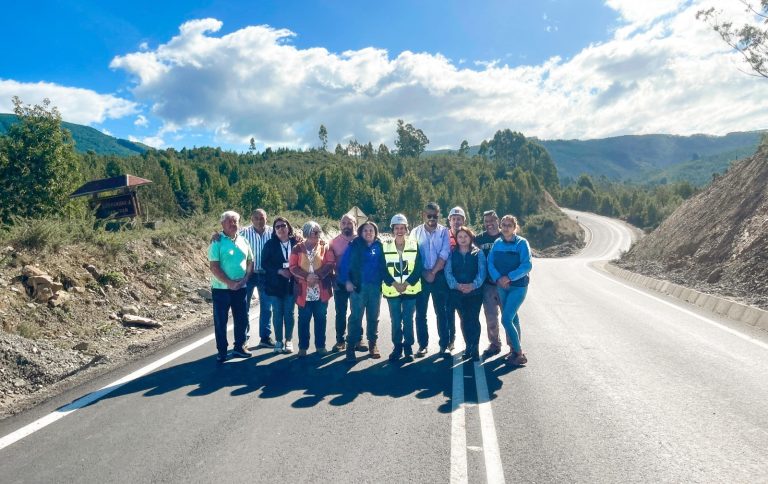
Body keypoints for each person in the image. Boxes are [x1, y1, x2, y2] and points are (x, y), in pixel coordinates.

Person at [212, 208, 274, 348]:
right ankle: (243, 338)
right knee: (243, 309)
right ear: (251, 219)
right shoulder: (244, 232)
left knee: (266, 307)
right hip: (248, 275)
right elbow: (228, 235)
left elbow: (286, 237)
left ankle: (265, 337)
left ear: (266, 218)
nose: (259, 220)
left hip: (266, 274)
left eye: (262, 217)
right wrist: (216, 235)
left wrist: (297, 238)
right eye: (256, 218)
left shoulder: (273, 232)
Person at [208, 210, 254, 362]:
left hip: (240, 287)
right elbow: (214, 266)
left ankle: (239, 347)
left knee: (242, 319)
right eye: (230, 221)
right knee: (221, 321)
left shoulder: (243, 240)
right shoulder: (217, 241)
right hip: (221, 289)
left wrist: (245, 279)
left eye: (236, 221)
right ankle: (222, 351)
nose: (233, 224)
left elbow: (250, 261)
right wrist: (230, 283)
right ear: (222, 224)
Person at [487, 215, 532, 366]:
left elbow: (527, 265)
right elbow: (490, 262)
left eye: (509, 225)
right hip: (501, 286)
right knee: (513, 318)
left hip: (518, 287)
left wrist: (509, 277)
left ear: (515, 227)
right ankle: (514, 350)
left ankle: (519, 353)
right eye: (503, 225)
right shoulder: (497, 243)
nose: (505, 228)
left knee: (506, 319)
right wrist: (498, 278)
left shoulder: (522, 243)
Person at [338, 221, 387, 361]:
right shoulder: (354, 245)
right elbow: (344, 265)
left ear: (375, 232)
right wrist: (346, 281)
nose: (368, 232)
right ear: (360, 232)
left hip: (375, 288)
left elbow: (384, 266)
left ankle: (373, 344)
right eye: (365, 230)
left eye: (371, 230)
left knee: (373, 317)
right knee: (355, 318)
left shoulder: (379, 246)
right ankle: (350, 348)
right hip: (358, 287)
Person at [411, 202, 451, 357]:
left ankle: (444, 345)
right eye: (429, 215)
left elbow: (444, 253)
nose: (432, 218)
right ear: (423, 215)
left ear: (438, 215)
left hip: (439, 276)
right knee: (420, 313)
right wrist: (423, 272)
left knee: (442, 312)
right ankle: (422, 345)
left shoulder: (444, 232)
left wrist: (433, 272)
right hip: (421, 276)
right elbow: (412, 255)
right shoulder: (415, 232)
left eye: (435, 216)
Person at [382, 214, 423, 362]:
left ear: (406, 229)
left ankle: (408, 347)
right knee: (395, 319)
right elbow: (382, 268)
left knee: (408, 319)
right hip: (392, 290)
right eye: (396, 228)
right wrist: (395, 284)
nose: (399, 230)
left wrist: (405, 284)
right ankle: (397, 346)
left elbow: (418, 267)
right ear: (392, 229)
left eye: (402, 228)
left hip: (410, 290)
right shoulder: (385, 245)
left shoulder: (414, 244)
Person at [289, 221, 334, 356]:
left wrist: (318, 276)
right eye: (315, 232)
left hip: (321, 290)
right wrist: (307, 276)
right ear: (307, 233)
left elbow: (330, 263)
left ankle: (320, 346)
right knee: (303, 319)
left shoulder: (325, 247)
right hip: (304, 291)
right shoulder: (297, 248)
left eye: (319, 232)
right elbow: (292, 267)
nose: (318, 235)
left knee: (321, 319)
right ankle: (303, 347)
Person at [444, 226, 486, 361]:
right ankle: (468, 347)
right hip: (457, 293)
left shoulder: (478, 253)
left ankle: (475, 348)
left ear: (470, 237)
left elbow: (482, 272)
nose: (462, 239)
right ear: (456, 239)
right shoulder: (452, 253)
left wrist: (473, 285)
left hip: (475, 293)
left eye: (465, 236)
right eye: (460, 237)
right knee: (464, 320)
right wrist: (456, 285)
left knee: (473, 319)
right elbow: (448, 272)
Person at [328, 214, 366, 352]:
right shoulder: (333, 242)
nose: (346, 226)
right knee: (341, 312)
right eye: (343, 223)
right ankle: (340, 340)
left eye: (349, 223)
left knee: (357, 311)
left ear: (355, 224)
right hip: (340, 282)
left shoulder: (361, 241)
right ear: (340, 225)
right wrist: (333, 279)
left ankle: (358, 339)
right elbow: (330, 263)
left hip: (357, 282)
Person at [262, 217, 299, 353]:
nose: (281, 228)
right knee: (277, 313)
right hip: (275, 285)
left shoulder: (297, 243)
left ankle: (288, 340)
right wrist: (279, 271)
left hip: (291, 284)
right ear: (274, 230)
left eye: (283, 225)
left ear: (288, 227)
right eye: (277, 227)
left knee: (289, 313)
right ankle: (278, 341)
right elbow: (264, 263)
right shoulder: (270, 244)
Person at [475, 209, 507, 360]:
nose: (489, 224)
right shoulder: (479, 239)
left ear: (498, 220)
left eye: (492, 221)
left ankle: (514, 347)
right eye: (486, 221)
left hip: (505, 284)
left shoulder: (506, 236)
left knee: (509, 317)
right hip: (487, 285)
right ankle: (495, 344)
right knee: (491, 318)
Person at [446, 206, 466, 350]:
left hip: (463, 281)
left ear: (463, 220)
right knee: (448, 314)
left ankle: (468, 342)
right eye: (454, 219)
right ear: (449, 221)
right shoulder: (443, 236)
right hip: (446, 281)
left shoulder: (468, 235)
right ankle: (450, 340)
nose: (456, 222)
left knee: (464, 315)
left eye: (459, 219)